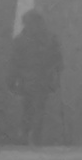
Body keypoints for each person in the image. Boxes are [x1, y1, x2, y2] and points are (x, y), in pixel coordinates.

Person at [7, 9, 63, 144]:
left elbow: (14, 62)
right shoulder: (49, 39)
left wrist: (12, 80)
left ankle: (28, 135)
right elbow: (58, 60)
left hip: (32, 79)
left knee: (32, 108)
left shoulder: (21, 40)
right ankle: (31, 135)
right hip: (37, 79)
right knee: (35, 108)